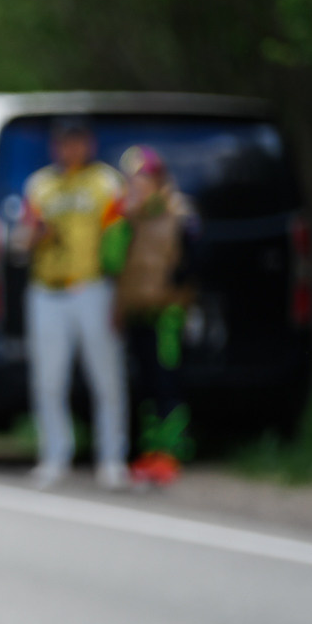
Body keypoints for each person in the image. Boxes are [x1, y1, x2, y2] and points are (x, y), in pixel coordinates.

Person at [17, 119, 128, 489]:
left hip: (93, 287)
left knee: (106, 376)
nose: (71, 150)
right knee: (49, 378)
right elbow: (22, 241)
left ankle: (112, 459)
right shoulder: (40, 186)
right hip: (47, 289)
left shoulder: (105, 183)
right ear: (55, 148)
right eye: (65, 143)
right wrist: (34, 233)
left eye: (77, 142)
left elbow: (119, 238)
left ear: (89, 144)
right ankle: (54, 455)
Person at [114, 144, 199, 487]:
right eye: (133, 179)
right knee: (145, 385)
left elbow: (195, 259)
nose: (138, 185)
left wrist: (181, 282)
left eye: (144, 178)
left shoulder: (180, 214)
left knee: (167, 383)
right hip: (137, 311)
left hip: (167, 313)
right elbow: (114, 262)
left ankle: (172, 452)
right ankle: (151, 453)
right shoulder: (128, 219)